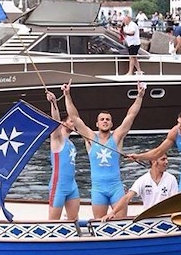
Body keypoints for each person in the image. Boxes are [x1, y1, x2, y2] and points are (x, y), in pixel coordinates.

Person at [63, 81, 146, 218]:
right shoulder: (90, 137)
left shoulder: (117, 137)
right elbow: (75, 118)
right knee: (99, 224)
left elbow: (130, 116)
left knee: (121, 223)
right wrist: (67, 95)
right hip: (98, 190)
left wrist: (140, 96)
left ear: (112, 123)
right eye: (102, 119)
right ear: (97, 123)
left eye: (108, 119)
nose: (105, 121)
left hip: (116, 188)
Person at [130, 108, 181, 191]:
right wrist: (138, 156)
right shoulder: (175, 132)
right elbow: (158, 152)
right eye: (178, 123)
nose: (179, 127)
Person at [101, 154, 178, 221]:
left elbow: (175, 201)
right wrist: (112, 213)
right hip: (148, 218)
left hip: (166, 217)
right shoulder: (143, 180)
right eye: (163, 159)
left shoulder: (171, 179)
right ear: (154, 161)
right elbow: (127, 197)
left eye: (166, 159)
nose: (167, 162)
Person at [46, 91, 80, 220]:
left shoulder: (72, 144)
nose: (74, 123)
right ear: (64, 123)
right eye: (71, 121)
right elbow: (55, 121)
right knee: (53, 221)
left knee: (74, 219)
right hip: (58, 185)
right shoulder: (57, 139)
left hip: (72, 185)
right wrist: (54, 103)